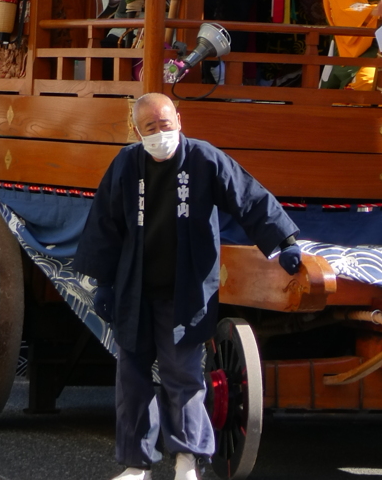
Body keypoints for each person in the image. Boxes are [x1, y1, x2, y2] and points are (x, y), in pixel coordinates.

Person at [74, 92, 300, 480]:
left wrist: (285, 243)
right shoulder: (127, 164)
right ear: (136, 130)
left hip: (186, 291)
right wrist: (103, 283)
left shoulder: (204, 159)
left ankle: (187, 460)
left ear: (179, 119)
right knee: (132, 378)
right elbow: (105, 226)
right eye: (150, 128)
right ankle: (136, 465)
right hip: (135, 289)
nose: (160, 133)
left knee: (184, 377)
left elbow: (248, 198)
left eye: (165, 124)